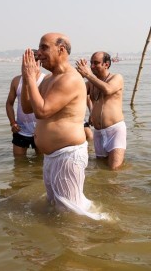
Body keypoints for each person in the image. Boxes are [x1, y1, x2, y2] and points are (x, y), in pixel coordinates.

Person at [21, 32, 103, 220]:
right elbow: (27, 108)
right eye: (39, 48)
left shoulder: (70, 79)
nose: (39, 53)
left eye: (44, 47)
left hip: (67, 156)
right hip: (52, 157)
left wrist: (31, 77)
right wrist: (28, 79)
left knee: (72, 215)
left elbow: (42, 111)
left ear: (61, 49)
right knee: (58, 207)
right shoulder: (49, 79)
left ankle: (101, 230)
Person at [76, 52, 125, 170]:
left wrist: (87, 74)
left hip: (115, 131)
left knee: (114, 170)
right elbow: (75, 93)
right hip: (98, 132)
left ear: (106, 64)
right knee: (100, 169)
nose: (92, 66)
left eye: (96, 63)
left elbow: (108, 90)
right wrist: (78, 76)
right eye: (91, 63)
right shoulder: (90, 83)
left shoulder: (116, 78)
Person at [6, 49, 45, 156]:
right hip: (21, 129)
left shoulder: (46, 80)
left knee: (40, 164)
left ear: (40, 63)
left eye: (34, 61)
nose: (30, 65)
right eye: (27, 62)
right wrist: (12, 122)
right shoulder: (16, 81)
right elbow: (9, 103)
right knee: (18, 166)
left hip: (41, 130)